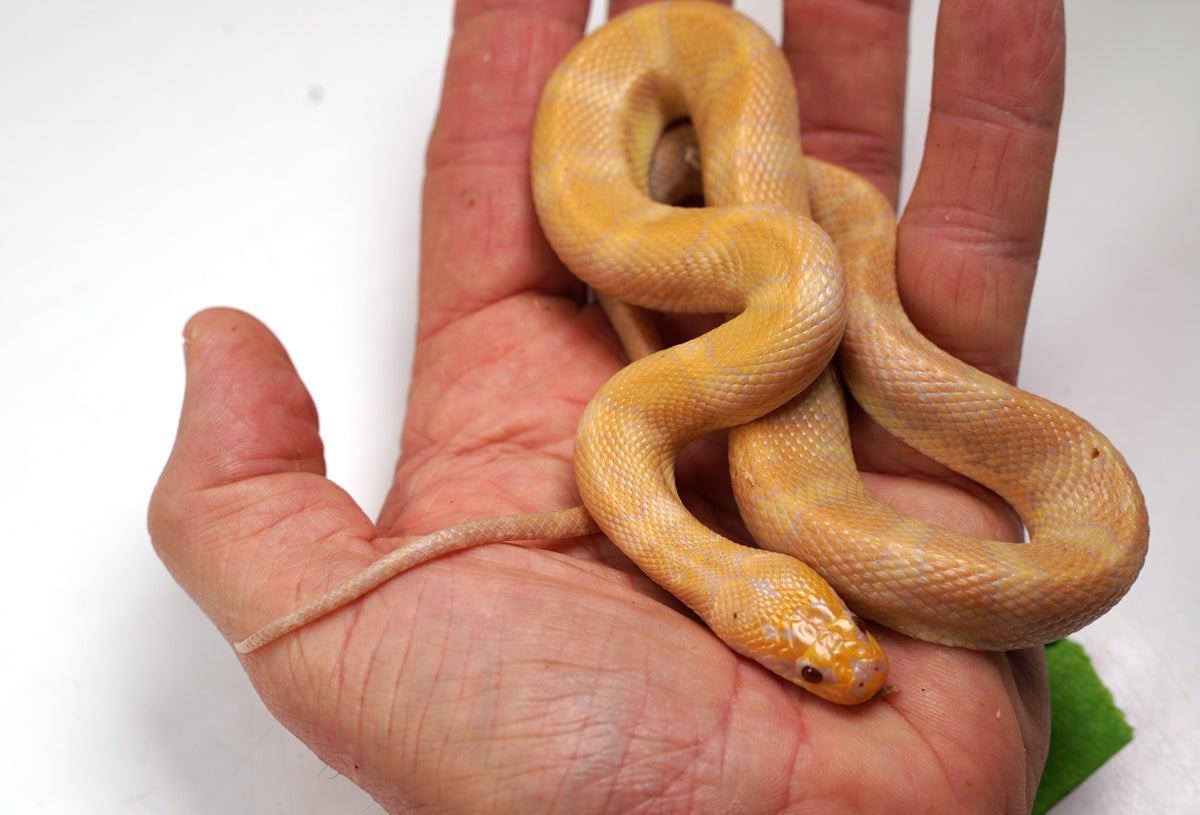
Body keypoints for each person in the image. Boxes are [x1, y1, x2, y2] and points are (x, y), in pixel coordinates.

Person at [150, 0, 1061, 810]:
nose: (849, 666)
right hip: (739, 267)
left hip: (753, 285)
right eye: (814, 664)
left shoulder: (653, 446)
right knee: (801, 278)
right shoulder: (658, 456)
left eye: (820, 654)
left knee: (808, 273)